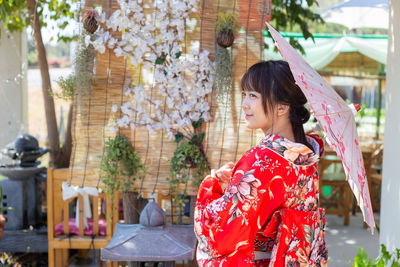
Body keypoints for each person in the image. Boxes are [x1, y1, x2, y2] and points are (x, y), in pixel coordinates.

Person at [194, 60, 328, 266]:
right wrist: (238, 182)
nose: (245, 104)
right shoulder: (306, 154)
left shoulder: (262, 160)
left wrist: (212, 185)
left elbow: (222, 234)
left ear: (282, 107)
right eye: (244, 94)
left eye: (253, 96)